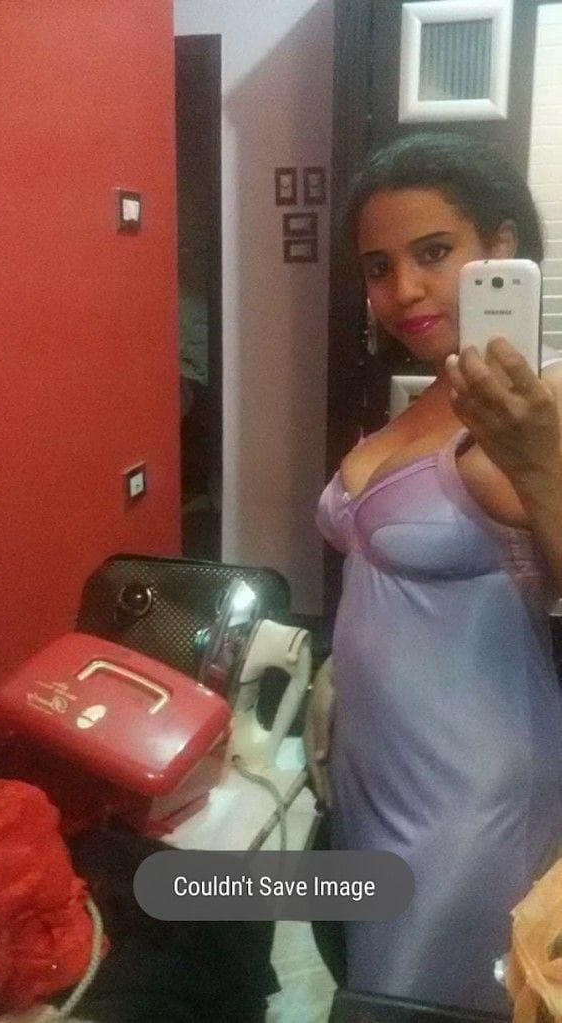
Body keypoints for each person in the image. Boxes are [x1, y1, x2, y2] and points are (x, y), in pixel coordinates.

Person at [305, 131, 562, 1015]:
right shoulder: (419, 405)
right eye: (378, 267)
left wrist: (539, 462)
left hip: (471, 796)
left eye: (433, 252)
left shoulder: (547, 402)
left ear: (501, 248)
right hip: (370, 775)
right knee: (367, 980)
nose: (403, 290)